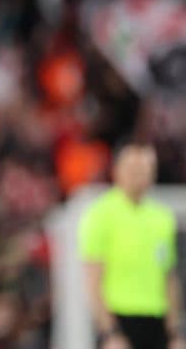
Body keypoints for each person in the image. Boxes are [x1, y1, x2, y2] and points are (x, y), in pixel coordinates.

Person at [79, 142, 186, 349]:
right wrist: (110, 332)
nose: (139, 175)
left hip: (156, 317)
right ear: (117, 170)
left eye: (145, 169)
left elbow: (169, 279)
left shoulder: (162, 218)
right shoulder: (100, 214)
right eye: (133, 169)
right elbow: (93, 279)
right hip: (119, 316)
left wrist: (174, 332)